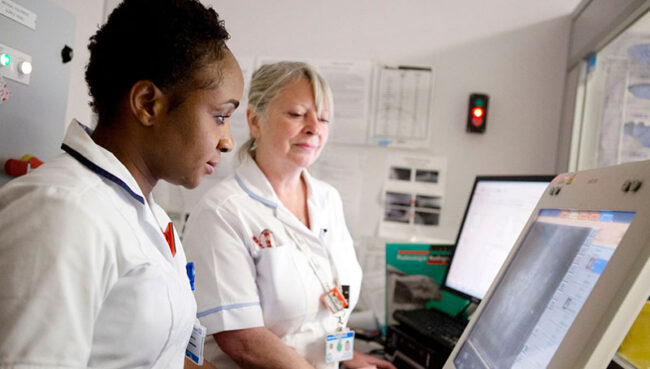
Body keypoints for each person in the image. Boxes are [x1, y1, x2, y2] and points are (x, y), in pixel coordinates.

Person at [0, 0, 243, 367]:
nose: (227, 141)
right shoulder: (64, 210)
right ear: (148, 104)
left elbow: (165, 357)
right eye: (220, 116)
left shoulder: (149, 216)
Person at [183, 61, 395, 369]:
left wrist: (347, 357)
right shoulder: (223, 212)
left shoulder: (327, 199)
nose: (313, 128)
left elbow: (327, 309)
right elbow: (244, 341)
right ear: (255, 121)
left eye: (323, 119)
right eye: (296, 115)